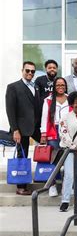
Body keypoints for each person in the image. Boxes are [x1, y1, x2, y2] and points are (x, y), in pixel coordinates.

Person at [6, 61, 42, 195]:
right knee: (22, 155)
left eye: (32, 71)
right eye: (27, 71)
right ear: (22, 70)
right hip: (21, 129)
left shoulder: (35, 87)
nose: (30, 73)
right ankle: (21, 186)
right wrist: (15, 130)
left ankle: (46, 177)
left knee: (50, 148)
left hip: (36, 128)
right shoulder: (13, 87)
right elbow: (10, 110)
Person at [40, 77, 71, 197]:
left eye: (62, 85)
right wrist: (43, 134)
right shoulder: (48, 100)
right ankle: (52, 185)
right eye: (58, 85)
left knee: (66, 159)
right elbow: (44, 117)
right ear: (54, 86)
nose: (60, 87)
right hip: (53, 132)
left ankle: (65, 185)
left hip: (66, 132)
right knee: (53, 160)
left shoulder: (70, 99)